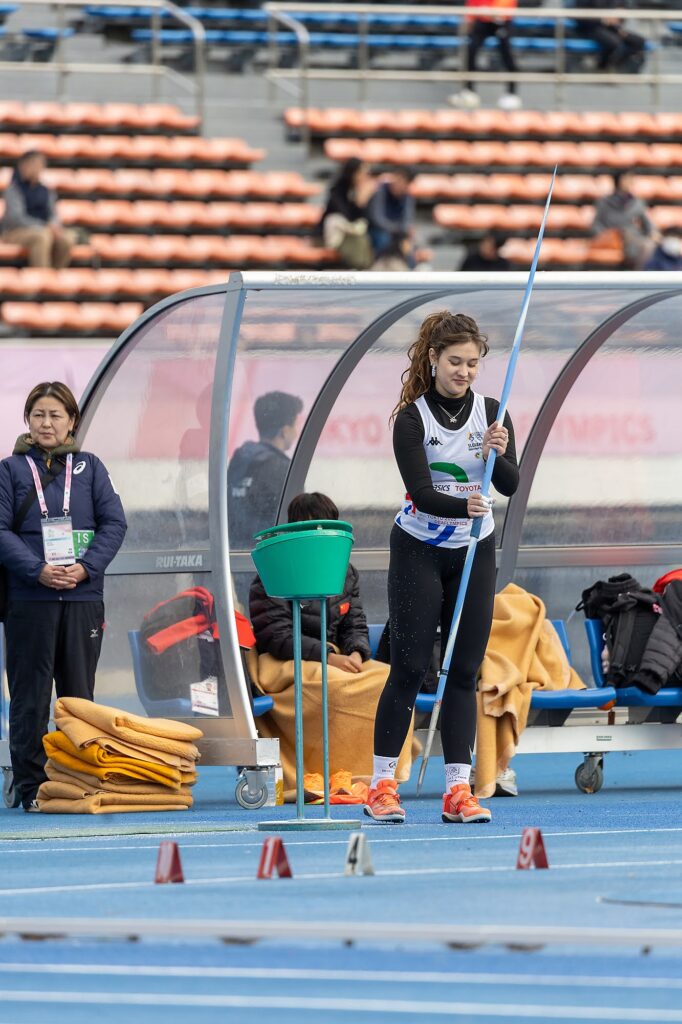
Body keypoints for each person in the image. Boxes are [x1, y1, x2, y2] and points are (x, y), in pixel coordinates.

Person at [365, 310, 519, 825]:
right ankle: (381, 786)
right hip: (420, 548)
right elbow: (423, 493)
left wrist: (499, 454)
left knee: (464, 671)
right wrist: (465, 506)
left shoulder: (493, 413)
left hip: (474, 550)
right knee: (409, 668)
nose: (464, 372)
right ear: (433, 359)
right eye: (455, 362)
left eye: (472, 363)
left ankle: (458, 790)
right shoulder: (412, 420)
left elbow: (510, 485)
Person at [0, 381, 127, 811]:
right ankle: (32, 788)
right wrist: (36, 570)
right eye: (38, 415)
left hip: (82, 597)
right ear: (27, 420)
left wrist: (87, 567)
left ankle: (78, 782)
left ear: (72, 420)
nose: (46, 423)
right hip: (29, 600)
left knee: (78, 698)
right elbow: (0, 530)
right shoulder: (10, 470)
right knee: (29, 697)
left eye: (55, 415)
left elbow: (115, 524)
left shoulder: (91, 468)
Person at [249, 491, 416, 795]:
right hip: (286, 661)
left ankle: (376, 774)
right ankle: (325, 773)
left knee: (389, 680)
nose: (323, 536)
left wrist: (356, 651)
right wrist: (329, 656)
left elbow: (355, 623)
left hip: (335, 657)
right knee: (335, 687)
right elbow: (276, 636)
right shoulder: (274, 569)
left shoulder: (345, 571)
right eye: (316, 528)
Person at [227, 391, 304, 550]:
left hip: (234, 554)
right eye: (295, 426)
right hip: (269, 557)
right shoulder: (284, 469)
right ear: (284, 431)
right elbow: (298, 526)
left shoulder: (239, 461)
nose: (296, 432)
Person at [0, 151, 75, 269]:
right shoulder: (14, 190)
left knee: (66, 239)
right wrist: (44, 226)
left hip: (43, 229)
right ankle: (42, 275)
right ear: (23, 166)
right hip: (14, 232)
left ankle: (55, 274)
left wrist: (54, 226)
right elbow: (16, 218)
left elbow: (53, 214)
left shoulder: (46, 191)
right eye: (33, 164)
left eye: (39, 164)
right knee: (42, 237)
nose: (36, 168)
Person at [449, 0, 522, 112]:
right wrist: (470, 18)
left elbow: (507, 4)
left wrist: (494, 11)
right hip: (482, 20)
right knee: (470, 50)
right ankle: (468, 91)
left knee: (507, 54)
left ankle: (511, 94)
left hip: (501, 21)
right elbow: (472, 4)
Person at [591, 172, 657, 268]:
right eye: (626, 179)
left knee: (648, 246)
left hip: (632, 238)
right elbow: (596, 224)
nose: (630, 182)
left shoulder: (637, 203)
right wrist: (605, 236)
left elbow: (647, 225)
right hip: (612, 237)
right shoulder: (604, 202)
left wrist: (652, 233)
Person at [320, 158, 375, 270]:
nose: (364, 177)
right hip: (337, 234)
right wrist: (359, 202)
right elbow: (345, 215)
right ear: (353, 173)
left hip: (354, 233)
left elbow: (365, 219)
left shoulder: (363, 191)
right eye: (362, 173)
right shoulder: (338, 190)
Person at [574, 0, 646, 73]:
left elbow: (620, 8)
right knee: (614, 43)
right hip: (591, 28)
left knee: (638, 41)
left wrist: (619, 15)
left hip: (612, 28)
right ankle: (602, 68)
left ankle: (615, 66)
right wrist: (603, 20)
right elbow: (579, 17)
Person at [367, 169, 417, 270]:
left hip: (398, 233)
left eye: (402, 181)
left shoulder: (407, 197)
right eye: (397, 179)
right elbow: (377, 218)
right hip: (378, 230)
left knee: (409, 244)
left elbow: (407, 220)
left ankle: (411, 270)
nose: (397, 183)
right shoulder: (381, 191)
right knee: (383, 238)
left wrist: (402, 232)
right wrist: (395, 229)